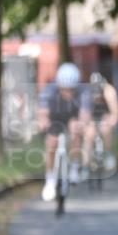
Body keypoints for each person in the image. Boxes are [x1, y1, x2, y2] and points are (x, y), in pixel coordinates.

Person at [38, 62, 89, 201]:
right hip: (55, 117)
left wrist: (82, 124)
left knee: (75, 130)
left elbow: (85, 114)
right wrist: (43, 121)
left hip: (72, 117)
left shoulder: (83, 91)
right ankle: (50, 179)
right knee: (51, 143)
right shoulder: (49, 90)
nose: (68, 92)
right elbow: (43, 112)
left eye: (71, 89)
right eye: (65, 89)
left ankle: (74, 166)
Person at [83, 72, 118, 173]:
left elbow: (115, 111)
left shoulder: (109, 91)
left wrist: (112, 119)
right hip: (92, 117)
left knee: (106, 128)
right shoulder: (87, 92)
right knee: (89, 134)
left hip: (105, 115)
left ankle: (108, 154)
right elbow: (85, 112)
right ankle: (86, 164)